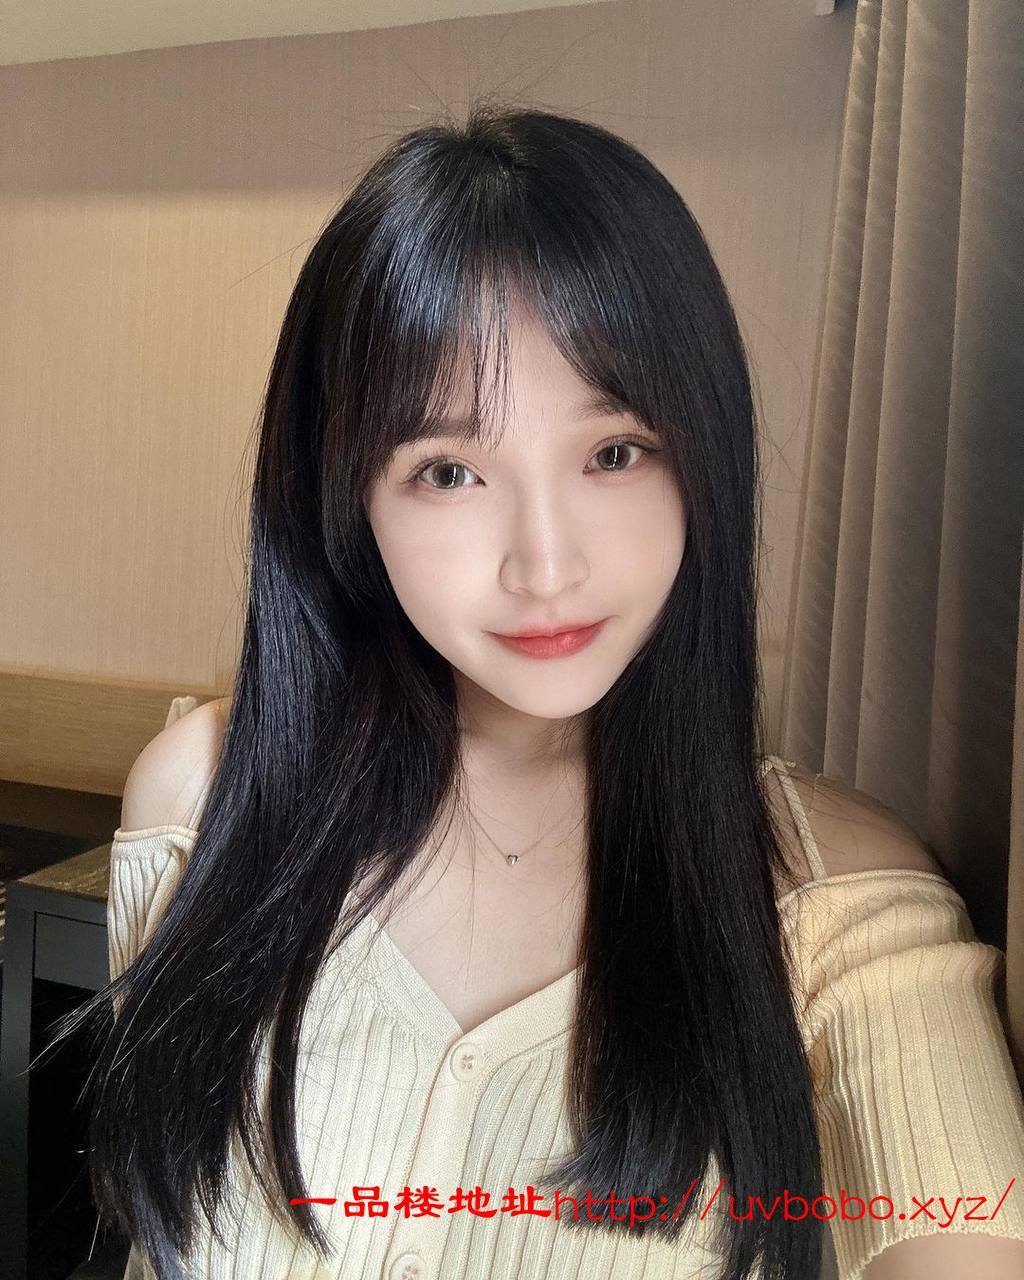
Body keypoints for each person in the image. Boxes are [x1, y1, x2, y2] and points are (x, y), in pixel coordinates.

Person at [60, 102, 1024, 1280]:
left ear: (701, 454)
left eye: (612, 451)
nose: (546, 564)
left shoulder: (835, 909)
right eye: (448, 470)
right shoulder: (204, 800)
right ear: (344, 496)